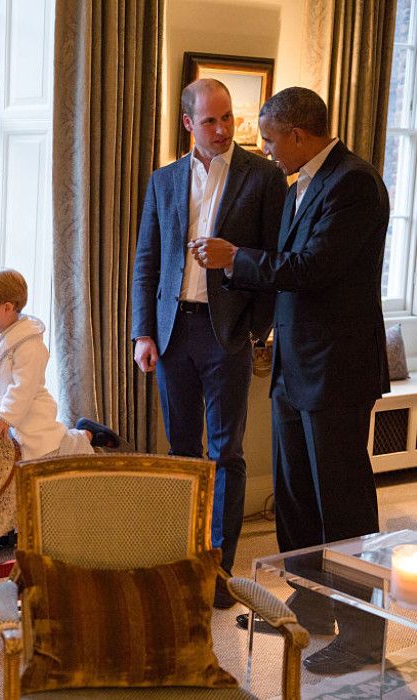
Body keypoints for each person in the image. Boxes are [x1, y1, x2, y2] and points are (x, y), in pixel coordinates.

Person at [189, 86, 390, 673]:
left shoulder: (353, 183)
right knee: (297, 503)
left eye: (272, 140)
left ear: (299, 135)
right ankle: (310, 608)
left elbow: (312, 270)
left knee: (344, 509)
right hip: (296, 366)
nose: (268, 151)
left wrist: (235, 259)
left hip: (337, 369)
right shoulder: (303, 181)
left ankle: (362, 636)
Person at [131, 78, 287, 607]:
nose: (223, 130)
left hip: (228, 333)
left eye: (228, 119)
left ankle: (219, 569)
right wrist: (143, 331)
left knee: (226, 452)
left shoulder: (264, 177)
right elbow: (146, 260)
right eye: (212, 121)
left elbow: (274, 261)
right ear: (188, 124)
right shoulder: (164, 180)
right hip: (173, 332)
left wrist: (255, 330)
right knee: (181, 451)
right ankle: (184, 554)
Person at [0, 267, 119, 458]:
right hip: (2, 409)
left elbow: (23, 386)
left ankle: (86, 434)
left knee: (50, 450)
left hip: (29, 412)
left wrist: (6, 416)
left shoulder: (29, 345)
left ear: (7, 307)